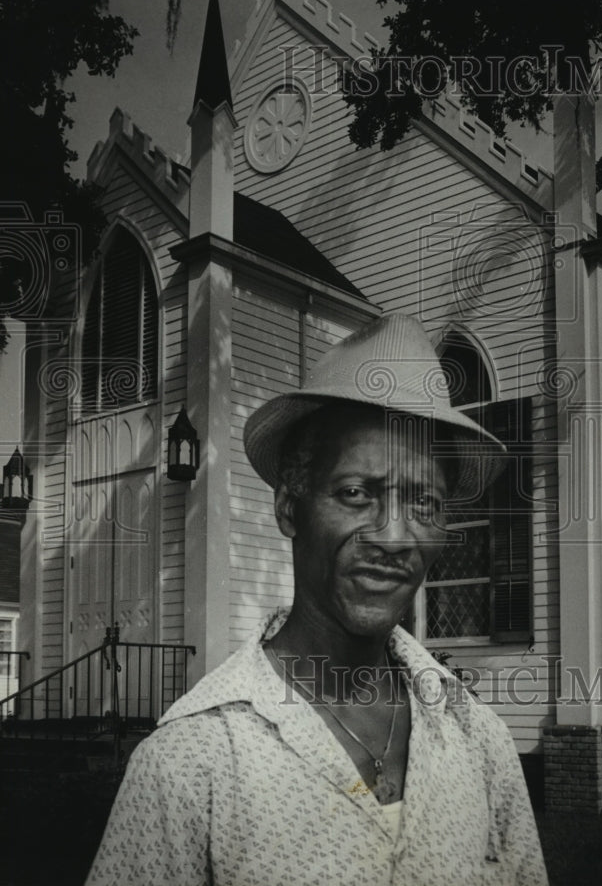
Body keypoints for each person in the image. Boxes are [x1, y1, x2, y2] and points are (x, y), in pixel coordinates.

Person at [86, 313, 549, 886]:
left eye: (425, 503)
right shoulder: (190, 761)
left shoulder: (480, 740)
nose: (395, 538)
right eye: (357, 493)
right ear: (289, 508)